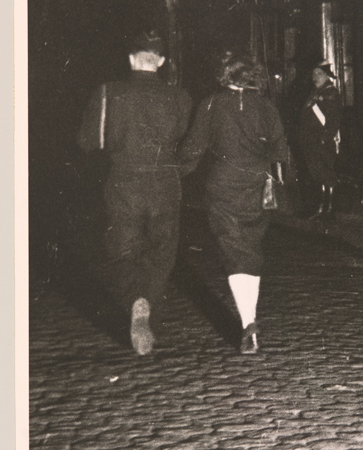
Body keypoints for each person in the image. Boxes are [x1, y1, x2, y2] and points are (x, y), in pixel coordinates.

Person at [76, 29, 193, 355]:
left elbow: (87, 141)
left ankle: (136, 300)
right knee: (162, 250)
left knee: (123, 249)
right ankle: (148, 301)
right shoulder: (180, 97)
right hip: (165, 183)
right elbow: (182, 139)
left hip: (124, 181)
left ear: (131, 59)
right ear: (162, 61)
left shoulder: (108, 92)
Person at [180, 53, 289, 354]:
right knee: (249, 249)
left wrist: (174, 172)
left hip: (223, 186)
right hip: (256, 186)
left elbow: (193, 148)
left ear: (225, 75)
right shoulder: (266, 106)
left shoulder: (211, 104)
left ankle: (248, 322)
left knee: (233, 250)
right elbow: (281, 149)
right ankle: (249, 319)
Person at [295, 62, 344, 217]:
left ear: (327, 76)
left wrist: (325, 138)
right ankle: (321, 207)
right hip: (310, 141)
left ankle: (329, 208)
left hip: (322, 141)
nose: (315, 77)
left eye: (319, 74)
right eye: (313, 74)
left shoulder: (331, 94)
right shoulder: (314, 93)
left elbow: (334, 119)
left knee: (325, 173)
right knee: (316, 173)